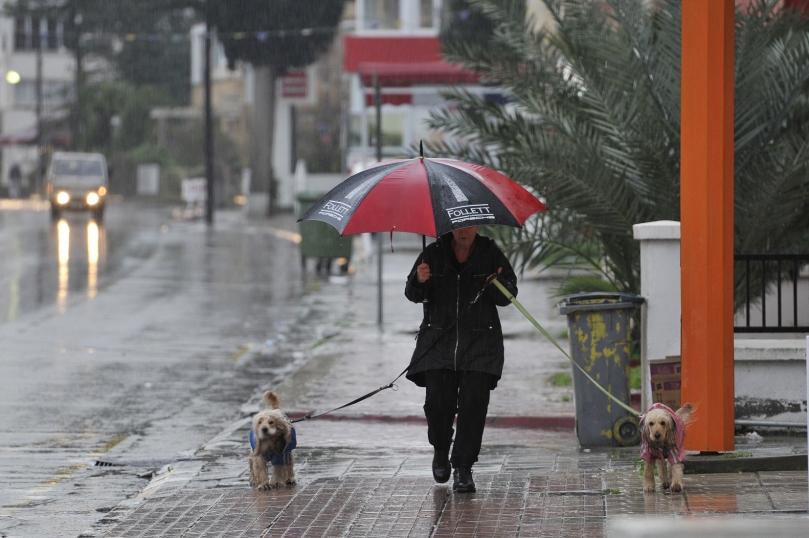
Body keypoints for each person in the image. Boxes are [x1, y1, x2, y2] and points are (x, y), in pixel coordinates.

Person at [404, 225, 518, 493]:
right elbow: (412, 294)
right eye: (458, 227)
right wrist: (419, 280)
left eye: (469, 226)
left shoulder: (491, 253)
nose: (464, 231)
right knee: (437, 404)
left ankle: (463, 468)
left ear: (477, 226)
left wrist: (496, 285)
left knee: (473, 406)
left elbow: (509, 296)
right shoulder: (432, 253)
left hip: (480, 343)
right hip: (438, 343)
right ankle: (441, 448)